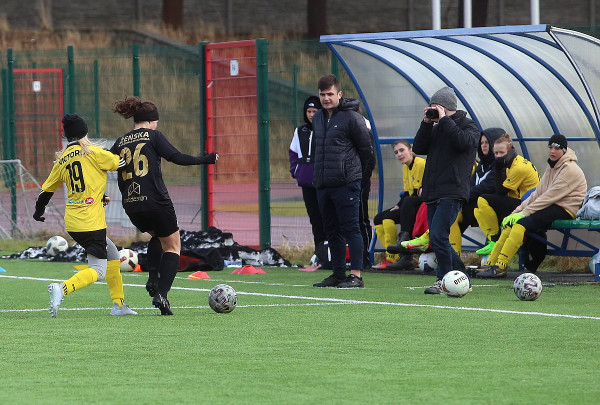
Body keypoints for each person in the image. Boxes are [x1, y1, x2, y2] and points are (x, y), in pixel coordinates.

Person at [111, 96, 218, 314]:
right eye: (156, 122)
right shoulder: (153, 135)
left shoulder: (120, 142)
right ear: (151, 120)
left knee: (158, 236)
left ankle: (153, 279)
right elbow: (175, 157)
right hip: (155, 200)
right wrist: (204, 160)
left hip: (131, 204)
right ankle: (162, 294)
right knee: (173, 246)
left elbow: (104, 164)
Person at [34, 113, 137, 317]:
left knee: (112, 253)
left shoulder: (62, 159)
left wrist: (39, 212)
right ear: (85, 132)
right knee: (98, 270)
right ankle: (62, 288)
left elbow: (45, 192)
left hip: (74, 222)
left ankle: (119, 305)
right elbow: (122, 163)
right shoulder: (94, 153)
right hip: (91, 222)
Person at [476, 134, 587, 278]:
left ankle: (500, 267)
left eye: (557, 148)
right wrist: (515, 212)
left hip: (565, 208)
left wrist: (524, 213)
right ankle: (491, 264)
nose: (552, 151)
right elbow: (537, 194)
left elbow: (548, 197)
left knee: (520, 224)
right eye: (550, 147)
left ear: (564, 150)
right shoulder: (552, 166)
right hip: (552, 204)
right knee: (510, 223)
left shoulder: (570, 169)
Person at [391, 127, 505, 256]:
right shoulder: (483, 165)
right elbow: (470, 186)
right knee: (447, 211)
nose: (483, 145)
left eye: (487, 142)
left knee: (445, 208)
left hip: (489, 205)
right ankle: (448, 252)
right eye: (482, 142)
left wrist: (460, 199)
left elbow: (485, 187)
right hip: (471, 204)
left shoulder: (495, 164)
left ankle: (427, 239)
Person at [411, 86, 479, 294]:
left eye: (436, 107)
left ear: (446, 107)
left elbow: (464, 143)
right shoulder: (435, 128)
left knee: (439, 235)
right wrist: (426, 123)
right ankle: (461, 277)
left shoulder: (468, 126)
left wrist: (444, 120)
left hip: (453, 190)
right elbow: (418, 148)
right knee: (436, 237)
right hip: (434, 191)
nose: (433, 110)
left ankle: (443, 280)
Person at [311, 74, 374, 288]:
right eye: (322, 94)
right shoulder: (318, 118)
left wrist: (356, 177)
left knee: (351, 228)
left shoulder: (352, 118)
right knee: (332, 231)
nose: (326, 98)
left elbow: (366, 151)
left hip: (347, 183)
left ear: (339, 94)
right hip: (324, 184)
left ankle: (356, 275)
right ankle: (338, 274)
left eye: (330, 94)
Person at [473, 133, 539, 256]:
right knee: (478, 210)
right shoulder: (510, 163)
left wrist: (498, 169)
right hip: (520, 202)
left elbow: (501, 191)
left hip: (527, 205)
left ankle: (494, 241)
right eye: (496, 153)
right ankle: (492, 242)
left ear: (510, 151)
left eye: (502, 153)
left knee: (483, 200)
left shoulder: (518, 167)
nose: (498, 156)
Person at [373, 140, 425, 270]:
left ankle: (397, 255)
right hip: (410, 202)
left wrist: (401, 205)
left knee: (397, 210)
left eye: (402, 150)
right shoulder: (405, 167)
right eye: (396, 152)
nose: (399, 154)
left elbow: (417, 194)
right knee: (379, 219)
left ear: (411, 150)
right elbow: (408, 192)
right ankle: (393, 256)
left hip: (423, 203)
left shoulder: (420, 164)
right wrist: (398, 205)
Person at [289, 95, 326, 259]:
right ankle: (319, 252)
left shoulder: (326, 128)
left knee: (327, 217)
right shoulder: (300, 131)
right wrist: (296, 171)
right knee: (315, 219)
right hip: (306, 182)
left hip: (323, 182)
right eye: (309, 111)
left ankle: (329, 252)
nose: (311, 115)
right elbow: (293, 152)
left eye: (314, 111)